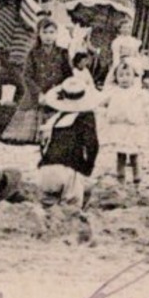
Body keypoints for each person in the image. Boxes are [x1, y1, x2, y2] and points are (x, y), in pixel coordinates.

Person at [33, 54, 102, 207]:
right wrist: (87, 167)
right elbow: (92, 145)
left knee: (48, 205)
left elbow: (43, 143)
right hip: (69, 168)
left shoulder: (56, 118)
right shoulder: (86, 116)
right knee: (71, 207)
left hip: (45, 169)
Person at [99, 60, 149, 190]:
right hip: (119, 128)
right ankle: (121, 181)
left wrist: (146, 112)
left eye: (127, 75)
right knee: (120, 155)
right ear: (116, 78)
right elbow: (100, 102)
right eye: (121, 75)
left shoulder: (138, 92)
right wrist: (105, 112)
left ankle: (137, 180)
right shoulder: (113, 92)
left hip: (133, 128)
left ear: (133, 77)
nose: (124, 78)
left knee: (134, 155)